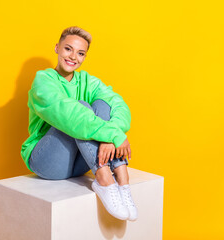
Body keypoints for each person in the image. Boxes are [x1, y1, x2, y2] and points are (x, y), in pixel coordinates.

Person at [20, 26, 138, 221]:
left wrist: (110, 138)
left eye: (80, 53)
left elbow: (120, 105)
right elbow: (69, 115)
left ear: (84, 57)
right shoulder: (43, 80)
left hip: (79, 164)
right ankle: (105, 180)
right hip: (47, 162)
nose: (73, 56)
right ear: (57, 48)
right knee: (81, 107)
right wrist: (114, 135)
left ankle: (122, 180)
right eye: (68, 49)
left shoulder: (88, 81)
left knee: (103, 104)